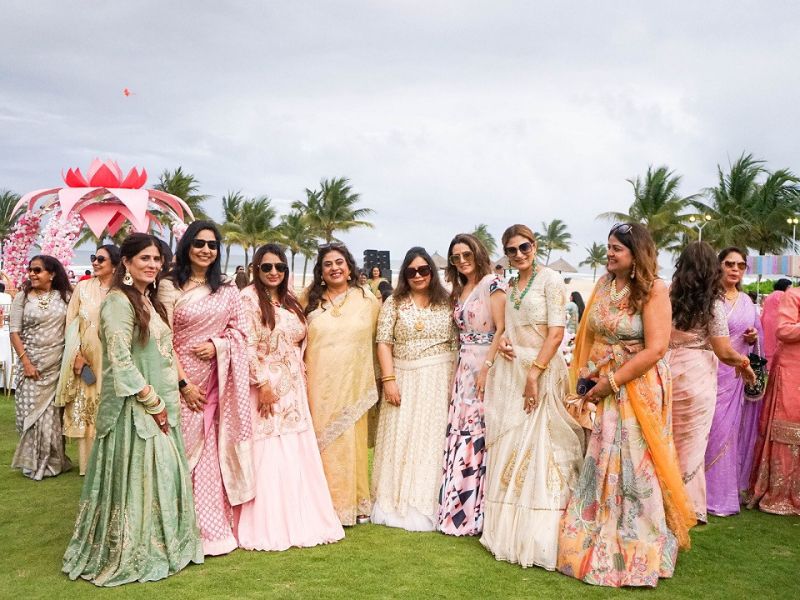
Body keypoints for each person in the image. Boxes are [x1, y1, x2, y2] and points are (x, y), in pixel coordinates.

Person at [558, 223, 695, 588]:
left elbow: (656, 348)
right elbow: (592, 333)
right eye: (608, 247)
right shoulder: (603, 285)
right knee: (601, 455)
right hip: (602, 384)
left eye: (617, 248)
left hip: (637, 387)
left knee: (635, 464)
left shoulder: (653, 290)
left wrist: (613, 382)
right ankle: (593, 536)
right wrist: (590, 378)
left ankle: (637, 550)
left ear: (637, 253)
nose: (610, 253)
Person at [63, 233, 203, 586]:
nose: (153, 265)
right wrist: (152, 402)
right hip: (134, 408)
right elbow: (121, 361)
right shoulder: (118, 302)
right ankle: (131, 549)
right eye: (145, 258)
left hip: (159, 402)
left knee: (162, 474)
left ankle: (159, 543)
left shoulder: (147, 301)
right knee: (142, 476)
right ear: (125, 262)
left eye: (157, 259)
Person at [480, 225, 583, 568]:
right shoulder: (511, 285)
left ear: (535, 246)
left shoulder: (551, 280)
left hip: (540, 372)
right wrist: (506, 341)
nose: (519, 254)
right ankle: (505, 530)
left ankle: (538, 535)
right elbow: (507, 326)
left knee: (540, 449)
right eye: (511, 250)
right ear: (506, 254)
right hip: (512, 371)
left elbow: (556, 333)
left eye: (524, 247)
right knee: (512, 443)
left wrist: (534, 374)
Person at [236, 244, 345, 549]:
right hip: (268, 387)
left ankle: (303, 516)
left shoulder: (289, 299)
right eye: (267, 267)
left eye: (279, 267)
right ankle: (270, 524)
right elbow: (247, 346)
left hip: (294, 387)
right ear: (256, 269)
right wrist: (262, 383)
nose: (274, 272)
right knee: (270, 449)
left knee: (296, 448)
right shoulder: (248, 300)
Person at [159, 220, 254, 555]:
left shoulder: (226, 289)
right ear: (187, 245)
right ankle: (170, 526)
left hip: (217, 382)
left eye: (212, 245)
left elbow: (241, 333)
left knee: (209, 456)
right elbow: (162, 340)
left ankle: (209, 527)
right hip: (178, 383)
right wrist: (183, 383)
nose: (205, 250)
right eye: (199, 243)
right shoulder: (169, 286)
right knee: (178, 453)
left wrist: (218, 345)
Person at [667, 242, 756, 522]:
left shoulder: (667, 297)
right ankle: (686, 505)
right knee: (691, 444)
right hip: (697, 376)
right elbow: (724, 350)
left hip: (668, 370)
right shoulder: (713, 303)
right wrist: (744, 364)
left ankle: (663, 498)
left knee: (667, 436)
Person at [372, 247, 456, 531]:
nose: (418, 275)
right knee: (400, 437)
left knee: (430, 440)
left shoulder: (447, 302)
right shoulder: (394, 303)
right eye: (412, 271)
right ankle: (396, 502)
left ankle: (427, 502)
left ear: (432, 272)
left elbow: (456, 344)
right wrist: (389, 379)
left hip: (437, 376)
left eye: (423, 270)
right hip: (403, 376)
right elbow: (383, 341)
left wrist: (453, 382)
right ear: (404, 275)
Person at [303, 243, 380, 526]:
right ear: (321, 272)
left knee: (350, 444)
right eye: (327, 264)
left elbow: (380, 339)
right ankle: (323, 504)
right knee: (321, 445)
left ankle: (353, 505)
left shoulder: (367, 299)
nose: (334, 268)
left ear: (349, 268)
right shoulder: (308, 301)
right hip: (318, 386)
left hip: (353, 384)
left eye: (339, 262)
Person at [437, 234, 506, 536]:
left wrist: (487, 368)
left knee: (478, 431)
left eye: (467, 254)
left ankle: (475, 511)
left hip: (484, 365)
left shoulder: (493, 283)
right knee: (461, 429)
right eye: (456, 257)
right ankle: (455, 507)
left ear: (478, 253)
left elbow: (503, 328)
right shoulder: (460, 289)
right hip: (464, 364)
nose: (462, 260)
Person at [705, 247, 764, 517]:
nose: (735, 269)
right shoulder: (708, 298)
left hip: (737, 376)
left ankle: (723, 493)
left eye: (740, 265)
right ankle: (701, 491)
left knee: (730, 432)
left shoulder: (747, 302)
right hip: (709, 372)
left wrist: (753, 339)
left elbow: (756, 339)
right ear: (719, 266)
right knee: (709, 429)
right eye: (729, 264)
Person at [56, 245, 121, 475]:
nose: (95, 262)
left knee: (111, 406)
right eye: (94, 258)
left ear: (115, 263)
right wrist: (75, 356)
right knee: (88, 408)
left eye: (101, 259)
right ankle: (89, 465)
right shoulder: (82, 288)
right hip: (87, 361)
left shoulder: (122, 290)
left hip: (114, 361)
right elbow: (70, 324)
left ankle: (112, 464)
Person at [9, 255, 72, 480]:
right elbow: (14, 331)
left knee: (52, 416)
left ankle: (53, 462)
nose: (32, 274)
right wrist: (25, 362)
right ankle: (33, 462)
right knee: (30, 414)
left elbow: (74, 327)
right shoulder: (23, 298)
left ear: (52, 274)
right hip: (31, 364)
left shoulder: (65, 296)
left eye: (38, 270)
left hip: (56, 364)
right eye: (30, 270)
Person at [747, 285, 800, 515]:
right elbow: (783, 330)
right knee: (787, 430)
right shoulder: (794, 295)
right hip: (792, 371)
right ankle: (780, 492)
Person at [761, 278, 792, 367]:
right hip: (777, 320)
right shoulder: (783, 294)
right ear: (785, 286)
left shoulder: (770, 295)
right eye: (789, 287)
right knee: (776, 343)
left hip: (766, 320)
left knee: (768, 342)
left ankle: (767, 364)